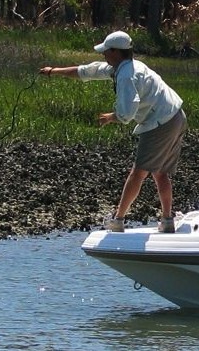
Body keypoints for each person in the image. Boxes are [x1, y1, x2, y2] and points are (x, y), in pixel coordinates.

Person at [40, 30, 187, 232]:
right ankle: (167, 220)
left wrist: (111, 117)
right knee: (160, 173)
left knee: (138, 173)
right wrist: (54, 71)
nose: (104, 55)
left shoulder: (126, 75)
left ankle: (118, 221)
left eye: (106, 51)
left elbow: (127, 112)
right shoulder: (129, 66)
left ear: (117, 52)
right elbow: (87, 71)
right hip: (177, 116)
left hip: (161, 122)